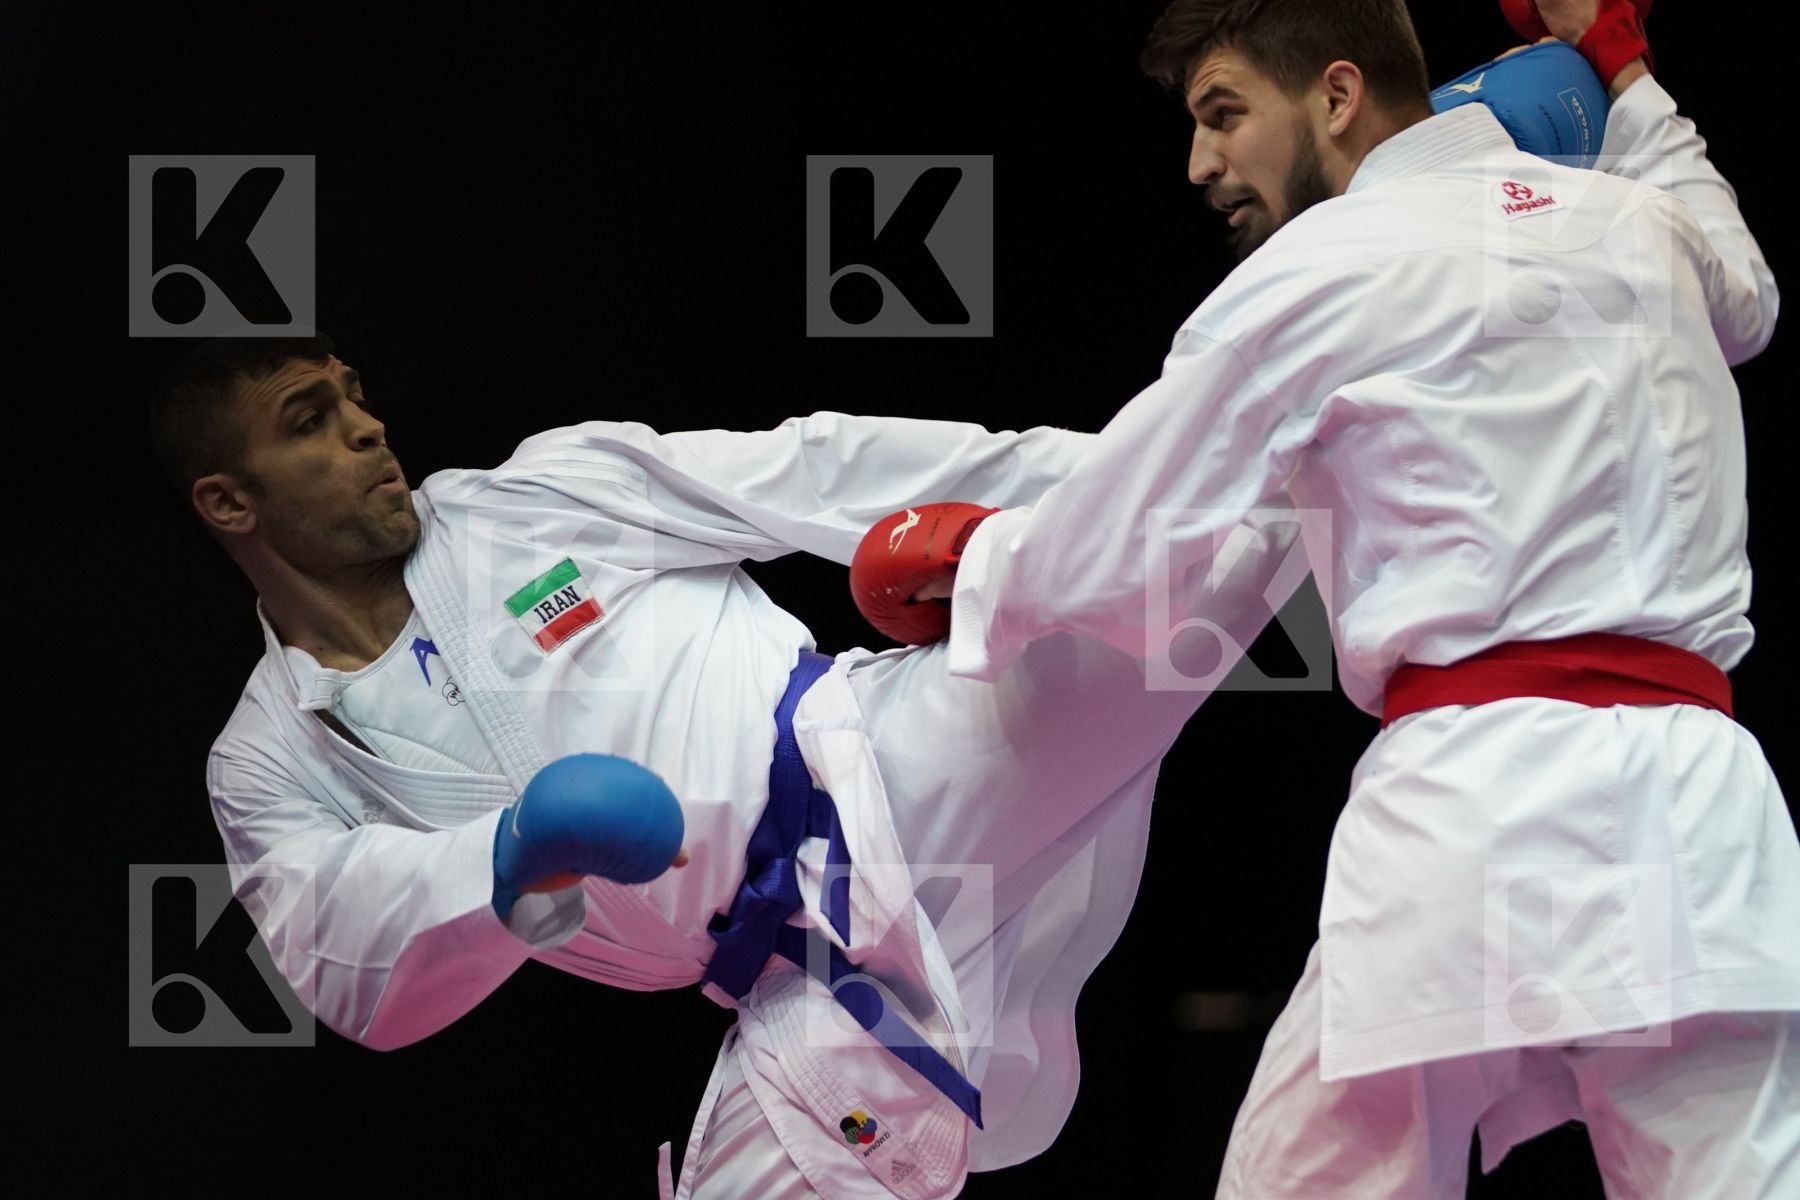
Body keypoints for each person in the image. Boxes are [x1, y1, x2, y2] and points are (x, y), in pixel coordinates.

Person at [890, 0, 1795, 1195]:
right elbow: (1750, 294)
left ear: (1335, 95)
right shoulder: (1644, 225)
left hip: (1474, 811)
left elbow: (1119, 548)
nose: (1201, 162)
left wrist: (970, 554)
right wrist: (1624, 76)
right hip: (1703, 815)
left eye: (1224, 114)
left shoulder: (1318, 265)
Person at [149, 329, 1308, 1199]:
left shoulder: (537, 497)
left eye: (356, 399)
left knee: (1213, 542)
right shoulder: (269, 755)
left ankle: (1420, 238)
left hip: (894, 761)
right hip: (800, 987)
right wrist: (504, 853)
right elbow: (344, 967)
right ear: (225, 498)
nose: (365, 428)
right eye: (310, 418)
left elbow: (811, 471)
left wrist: (1032, 511)